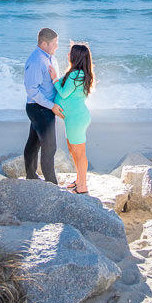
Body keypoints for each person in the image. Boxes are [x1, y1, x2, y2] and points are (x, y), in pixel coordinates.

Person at [48, 42, 94, 194]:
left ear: (75, 56)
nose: (68, 55)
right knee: (73, 150)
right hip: (75, 118)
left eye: (70, 53)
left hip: (76, 119)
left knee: (79, 153)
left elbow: (63, 93)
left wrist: (54, 78)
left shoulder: (75, 74)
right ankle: (79, 180)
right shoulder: (79, 73)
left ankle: (82, 186)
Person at [23, 27, 65, 184]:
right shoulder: (36, 61)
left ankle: (31, 176)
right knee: (50, 147)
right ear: (44, 43)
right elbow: (32, 91)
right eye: (54, 43)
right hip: (39, 108)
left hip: (45, 107)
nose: (57, 46)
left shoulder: (49, 57)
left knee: (34, 142)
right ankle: (52, 184)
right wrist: (51, 106)